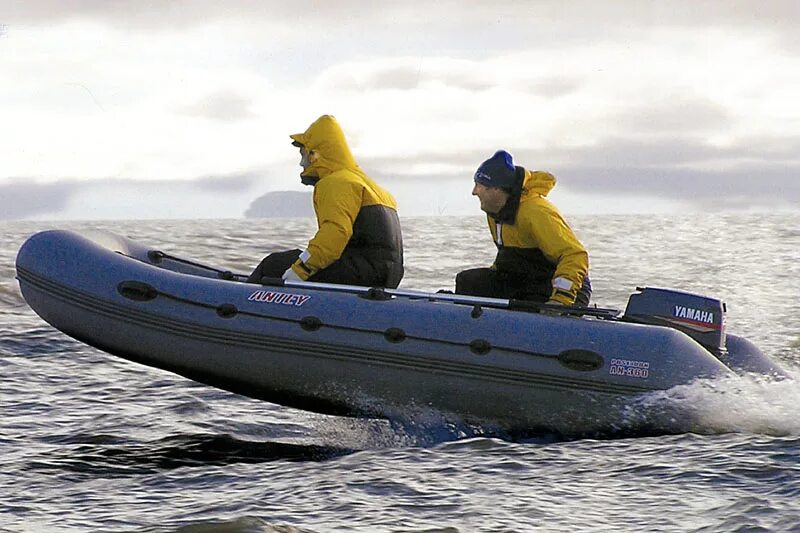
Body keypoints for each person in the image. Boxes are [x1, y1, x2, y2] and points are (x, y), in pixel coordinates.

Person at [247, 115, 404, 288]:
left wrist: (300, 270)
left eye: (303, 154)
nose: (301, 163)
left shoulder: (335, 182)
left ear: (314, 155)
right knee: (297, 258)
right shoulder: (369, 185)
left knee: (274, 263)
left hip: (362, 274)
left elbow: (335, 234)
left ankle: (240, 302)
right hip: (387, 275)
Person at [455, 150, 591, 306]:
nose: (474, 192)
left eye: (479, 185)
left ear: (496, 189)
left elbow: (575, 255)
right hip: (525, 280)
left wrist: (561, 298)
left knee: (529, 304)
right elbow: (511, 258)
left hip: (566, 291)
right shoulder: (494, 213)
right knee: (469, 281)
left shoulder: (536, 211)